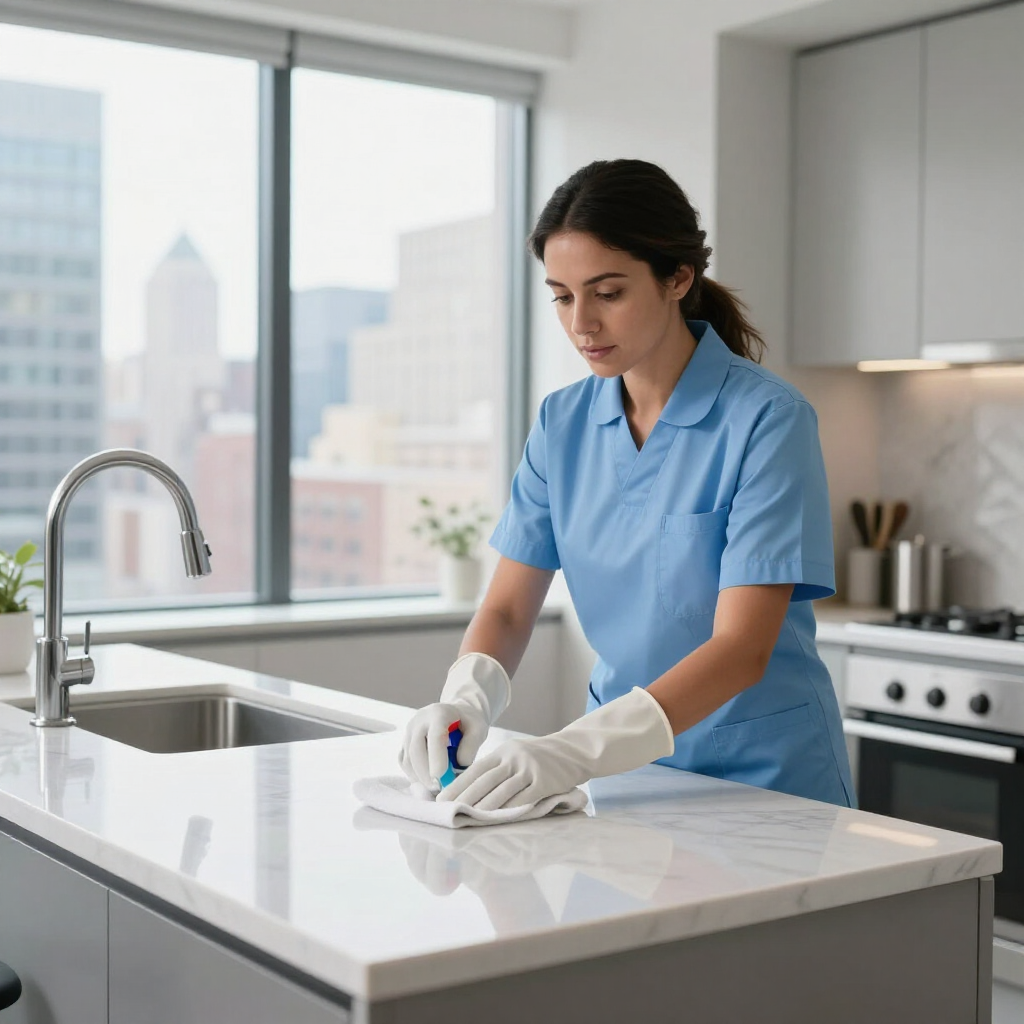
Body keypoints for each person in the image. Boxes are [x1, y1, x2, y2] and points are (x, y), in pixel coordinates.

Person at [399, 158, 855, 811]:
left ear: (677, 278)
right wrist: (464, 696)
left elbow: (740, 649)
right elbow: (505, 608)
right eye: (562, 295)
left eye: (607, 293)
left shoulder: (766, 421)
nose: (581, 323)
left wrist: (571, 751)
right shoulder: (563, 424)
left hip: (763, 782)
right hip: (625, 777)